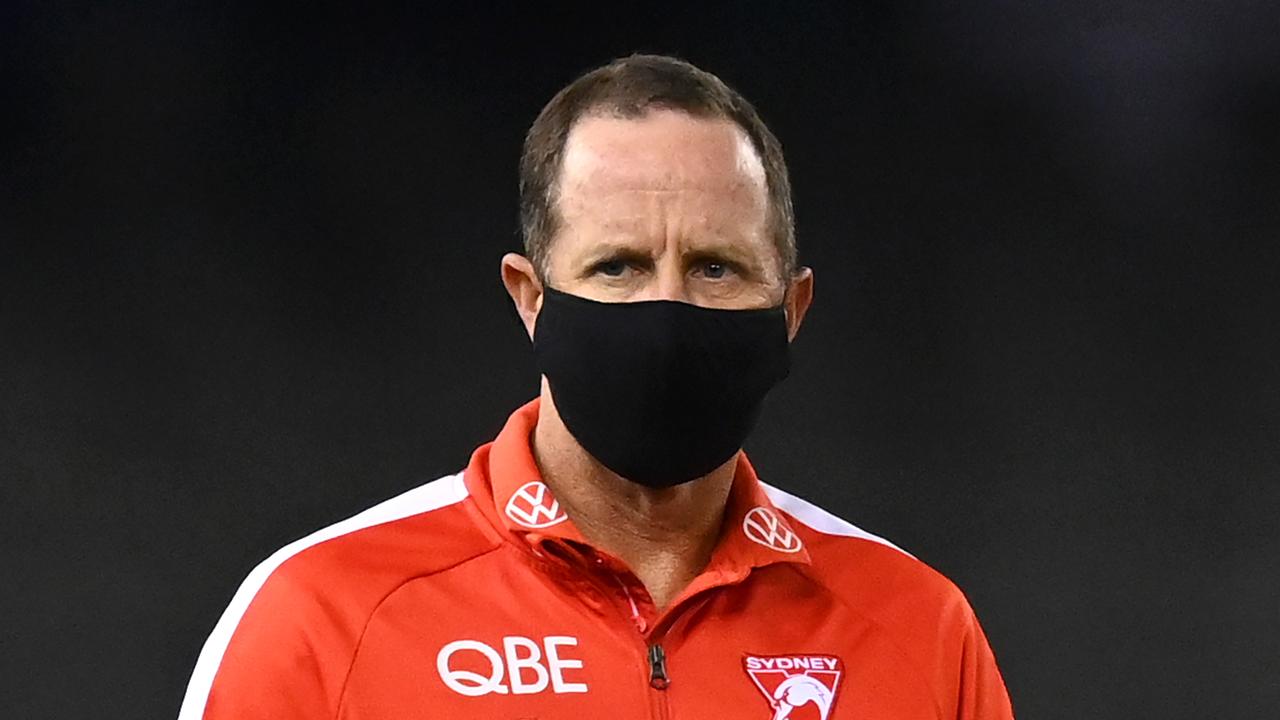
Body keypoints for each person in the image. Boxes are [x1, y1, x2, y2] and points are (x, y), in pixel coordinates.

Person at [178, 53, 1014, 720]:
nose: (668, 309)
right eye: (617, 267)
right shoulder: (322, 617)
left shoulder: (917, 627)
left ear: (791, 307)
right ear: (529, 298)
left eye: (716, 267)